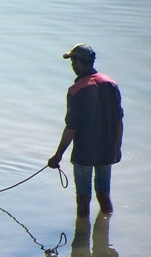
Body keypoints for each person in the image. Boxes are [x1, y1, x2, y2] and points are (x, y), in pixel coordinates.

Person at [48, 44, 124, 217]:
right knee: (103, 193)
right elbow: (119, 122)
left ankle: (82, 236)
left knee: (83, 198)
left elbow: (71, 128)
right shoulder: (111, 84)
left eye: (72, 61)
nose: (72, 65)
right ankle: (104, 232)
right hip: (107, 150)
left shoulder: (76, 91)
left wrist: (58, 155)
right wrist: (117, 148)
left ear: (78, 62)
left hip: (84, 153)